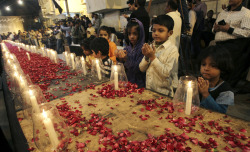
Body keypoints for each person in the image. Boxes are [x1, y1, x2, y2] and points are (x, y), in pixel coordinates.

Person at [212, 0, 250, 87]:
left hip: (233, 45)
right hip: (219, 45)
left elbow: (247, 33)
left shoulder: (246, 13)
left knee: (227, 71)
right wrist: (215, 29)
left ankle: (226, 92)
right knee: (218, 69)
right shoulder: (223, 12)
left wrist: (229, 29)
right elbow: (213, 29)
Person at [139, 15, 179, 97]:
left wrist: (153, 57)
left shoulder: (172, 50)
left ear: (170, 33)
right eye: (153, 30)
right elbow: (141, 68)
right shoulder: (151, 46)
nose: (156, 33)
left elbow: (167, 73)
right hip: (149, 90)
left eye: (160, 31)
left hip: (164, 94)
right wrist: (146, 56)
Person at [198, 46, 234, 114]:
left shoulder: (226, 91)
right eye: (203, 64)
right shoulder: (198, 82)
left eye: (213, 65)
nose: (206, 68)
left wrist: (205, 94)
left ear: (222, 67)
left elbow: (220, 113)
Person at [116, 19, 146, 88]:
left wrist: (126, 59)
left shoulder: (144, 49)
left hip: (139, 84)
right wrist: (119, 57)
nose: (131, 36)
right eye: (129, 34)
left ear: (140, 34)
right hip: (128, 82)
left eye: (135, 33)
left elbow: (138, 69)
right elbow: (121, 67)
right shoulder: (127, 48)